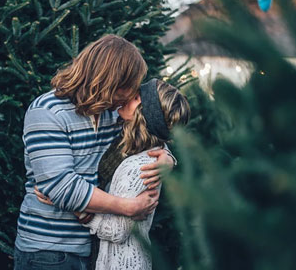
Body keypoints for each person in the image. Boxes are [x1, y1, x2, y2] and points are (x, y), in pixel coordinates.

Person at [14, 35, 175, 270]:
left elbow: (147, 132)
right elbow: (63, 188)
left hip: (95, 247)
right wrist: (128, 207)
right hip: (49, 251)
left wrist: (168, 158)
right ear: (109, 80)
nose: (132, 94)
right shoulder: (47, 112)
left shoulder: (112, 112)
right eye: (130, 85)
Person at [84, 78, 190, 270]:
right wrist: (169, 157)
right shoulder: (133, 147)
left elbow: (117, 231)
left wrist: (77, 210)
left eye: (134, 98)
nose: (126, 98)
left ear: (143, 115)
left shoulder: (140, 168)